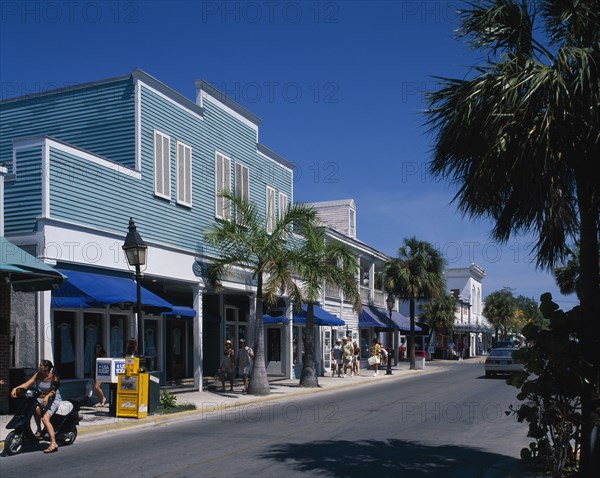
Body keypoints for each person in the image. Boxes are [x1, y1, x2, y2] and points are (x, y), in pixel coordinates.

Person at [10, 359, 61, 453]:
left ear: (46, 368)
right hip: (41, 397)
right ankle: (39, 429)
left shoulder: (54, 377)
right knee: (34, 408)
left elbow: (53, 391)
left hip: (53, 398)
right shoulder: (38, 374)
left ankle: (53, 443)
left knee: (45, 419)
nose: (39, 366)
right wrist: (16, 388)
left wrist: (47, 397)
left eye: (41, 365)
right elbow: (28, 383)